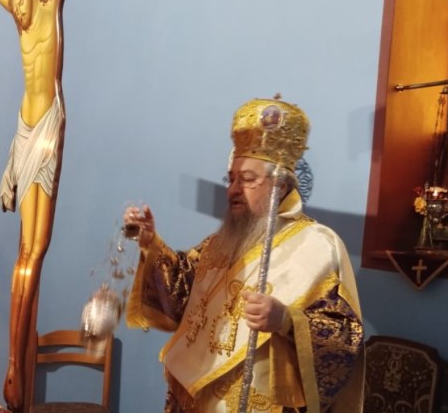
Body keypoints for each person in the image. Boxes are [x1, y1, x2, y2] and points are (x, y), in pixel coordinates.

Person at [0, 0, 136, 410]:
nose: (18, 12)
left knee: (34, 251)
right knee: (24, 252)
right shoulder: (16, 10)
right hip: (22, 130)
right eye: (14, 4)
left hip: (47, 129)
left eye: (22, 1)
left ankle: (15, 367)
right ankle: (13, 365)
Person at [124, 97, 364, 413]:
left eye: (248, 180)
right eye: (232, 179)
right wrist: (151, 243)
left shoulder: (318, 245)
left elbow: (345, 338)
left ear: (280, 186)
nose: (234, 189)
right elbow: (181, 291)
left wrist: (286, 321)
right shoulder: (221, 242)